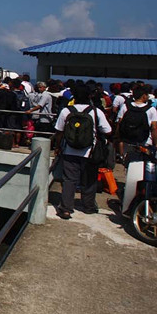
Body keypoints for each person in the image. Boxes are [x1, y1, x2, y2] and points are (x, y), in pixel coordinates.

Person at [54, 84, 111, 219]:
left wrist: (58, 146)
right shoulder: (96, 111)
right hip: (90, 152)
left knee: (69, 180)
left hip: (70, 151)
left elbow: (59, 131)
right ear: (89, 96)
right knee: (89, 180)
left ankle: (66, 209)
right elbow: (108, 130)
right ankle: (89, 206)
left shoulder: (66, 111)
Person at [116, 85, 157, 160]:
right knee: (143, 163)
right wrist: (156, 143)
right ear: (144, 96)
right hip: (145, 142)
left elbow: (119, 123)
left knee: (128, 163)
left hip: (127, 141)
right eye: (147, 95)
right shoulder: (151, 109)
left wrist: (117, 138)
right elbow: (154, 128)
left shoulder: (125, 106)